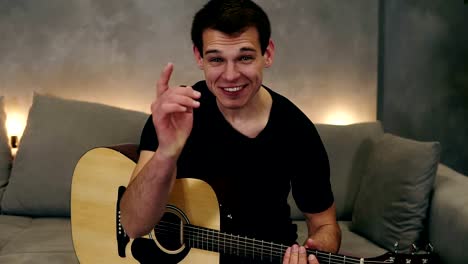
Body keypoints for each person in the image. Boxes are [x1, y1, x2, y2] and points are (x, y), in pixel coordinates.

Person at [120, 0, 341, 263]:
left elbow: (326, 226)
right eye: (216, 59)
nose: (230, 75)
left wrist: (316, 250)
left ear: (267, 54)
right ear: (199, 57)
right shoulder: (176, 113)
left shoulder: (297, 130)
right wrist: (167, 152)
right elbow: (133, 225)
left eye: (245, 57)